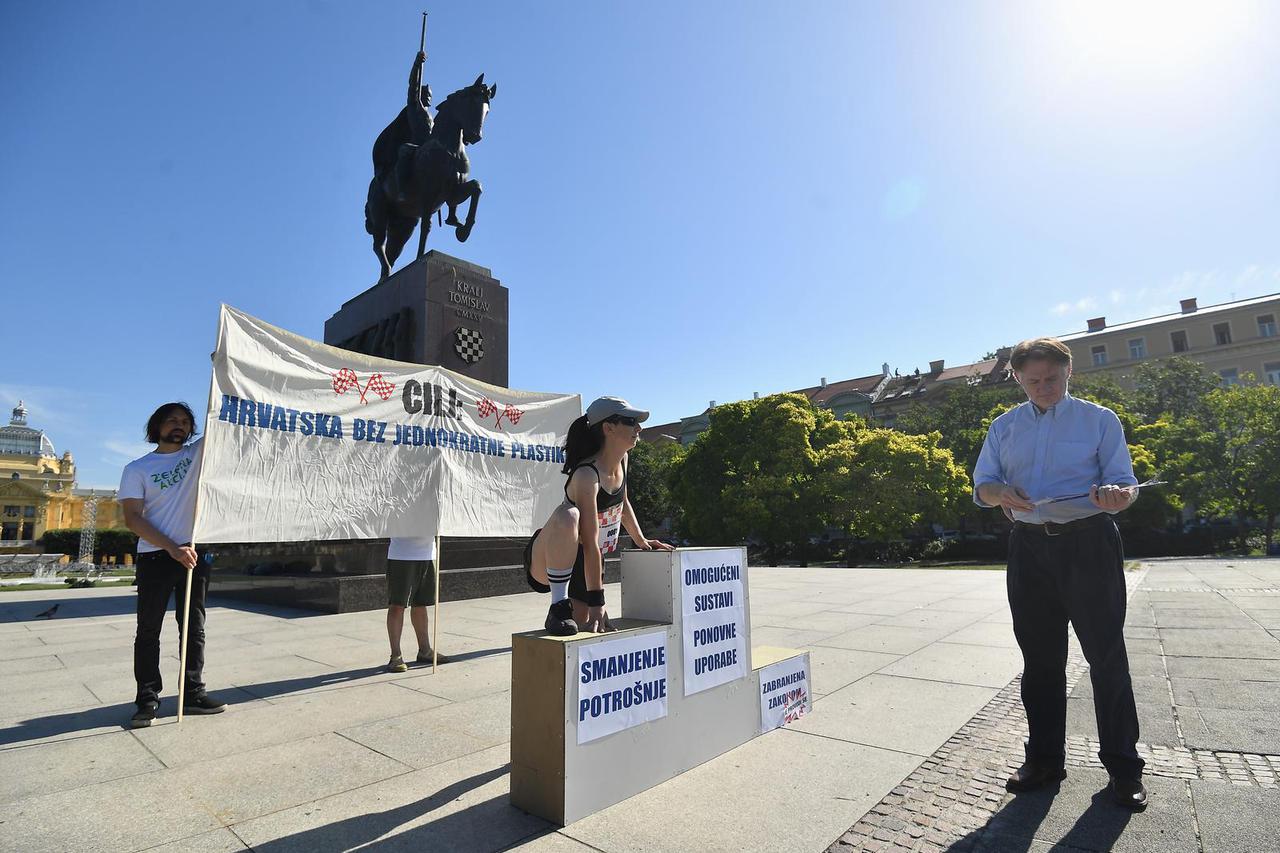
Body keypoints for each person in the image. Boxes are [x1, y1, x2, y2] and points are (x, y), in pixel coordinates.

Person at [972, 337, 1147, 809]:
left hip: (1088, 542)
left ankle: (1124, 767)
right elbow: (982, 485)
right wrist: (999, 494)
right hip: (1028, 548)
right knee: (1040, 661)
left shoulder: (1099, 420)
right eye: (1033, 381)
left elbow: (1125, 483)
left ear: (1069, 372)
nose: (1043, 387)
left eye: (1051, 378)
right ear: (1017, 379)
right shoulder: (1003, 427)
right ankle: (1045, 759)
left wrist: (1118, 495)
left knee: (1106, 658)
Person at [524, 397, 674, 635]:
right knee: (569, 515)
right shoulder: (587, 475)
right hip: (550, 556)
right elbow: (592, 542)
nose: (639, 428)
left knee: (584, 627)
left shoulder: (623, 460)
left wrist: (642, 540)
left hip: (587, 558)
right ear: (608, 427)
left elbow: (623, 504)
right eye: (630, 421)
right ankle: (558, 605)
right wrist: (598, 601)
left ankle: (567, 611)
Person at [119, 402, 225, 728]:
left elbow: (222, 418)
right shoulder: (137, 468)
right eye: (171, 421)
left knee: (193, 628)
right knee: (148, 630)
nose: (178, 425)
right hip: (156, 555)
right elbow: (133, 519)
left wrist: (222, 364)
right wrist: (172, 548)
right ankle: (147, 700)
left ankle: (192, 693)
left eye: (184, 421)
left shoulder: (195, 455)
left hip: (195, 554)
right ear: (157, 426)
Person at [385, 533, 449, 671]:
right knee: (397, 605)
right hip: (402, 554)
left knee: (421, 604)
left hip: (428, 553)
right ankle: (395, 656)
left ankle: (424, 650)